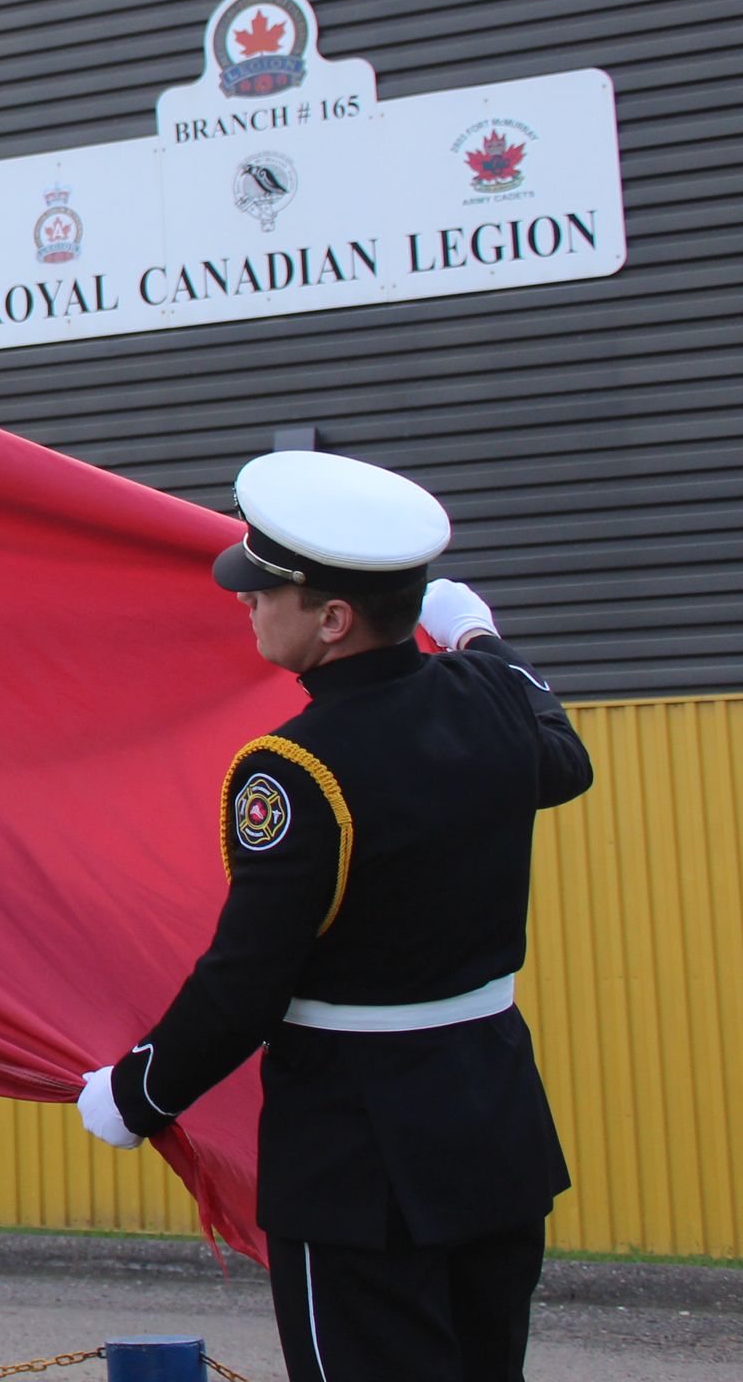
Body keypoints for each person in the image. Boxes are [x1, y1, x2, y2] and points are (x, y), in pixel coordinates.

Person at [75, 450, 594, 1382]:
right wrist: (477, 635)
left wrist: (141, 1092)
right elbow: (565, 757)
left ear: (333, 620)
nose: (244, 601)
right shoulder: (484, 701)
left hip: (362, 1156)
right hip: (493, 1123)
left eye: (266, 590)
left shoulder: (294, 771)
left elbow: (246, 981)